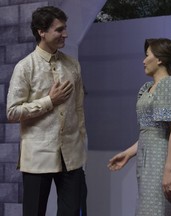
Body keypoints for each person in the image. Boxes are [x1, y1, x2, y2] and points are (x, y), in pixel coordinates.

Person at [6, 6, 87, 216]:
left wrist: (81, 145)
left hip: (71, 156)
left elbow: (78, 109)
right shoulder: (25, 67)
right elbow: (12, 112)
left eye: (65, 28)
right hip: (38, 157)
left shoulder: (73, 65)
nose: (65, 34)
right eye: (59, 30)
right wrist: (49, 101)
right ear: (42, 31)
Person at [108, 38, 171, 216]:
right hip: (147, 159)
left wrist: (169, 170)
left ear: (160, 59)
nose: (143, 61)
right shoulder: (148, 88)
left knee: (159, 211)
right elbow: (151, 130)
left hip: (162, 159)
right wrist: (129, 153)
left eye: (147, 56)